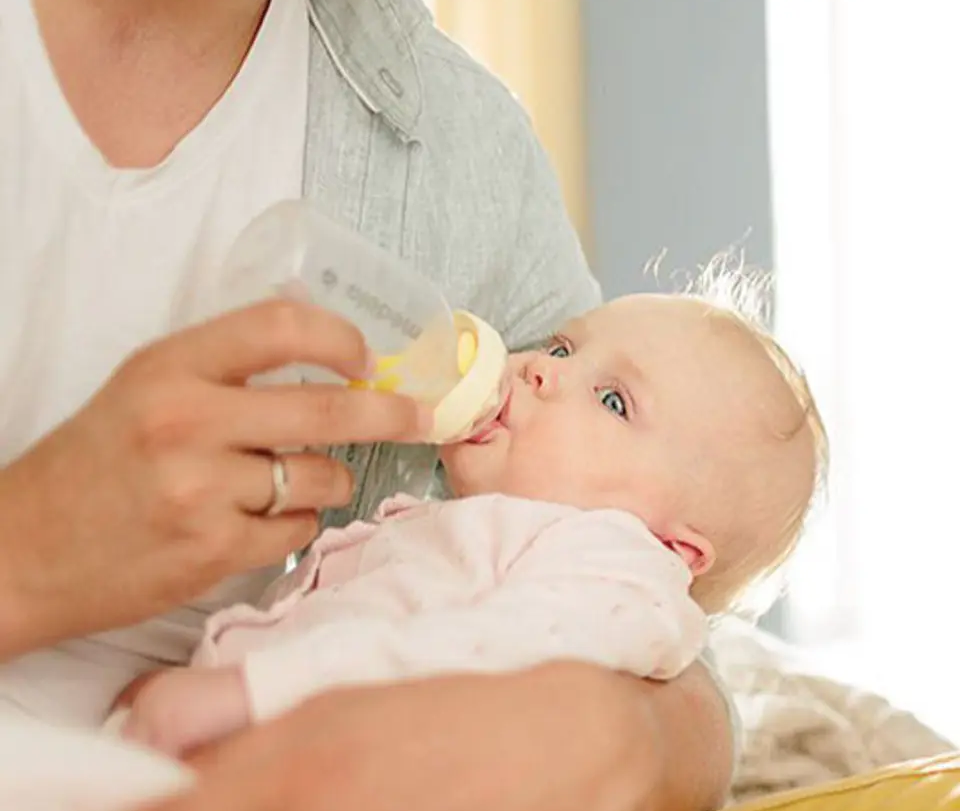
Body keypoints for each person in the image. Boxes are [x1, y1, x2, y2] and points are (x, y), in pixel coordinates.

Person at [0, 0, 736, 811]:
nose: (536, 373)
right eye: (555, 354)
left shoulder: (456, 147)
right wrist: (29, 550)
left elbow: (676, 649)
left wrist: (612, 747)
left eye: (598, 388)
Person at [117, 293, 825, 760]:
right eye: (562, 347)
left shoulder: (611, 574)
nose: (543, 372)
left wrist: (242, 693)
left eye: (612, 400)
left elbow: (468, 655)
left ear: (672, 549)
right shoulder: (463, 531)